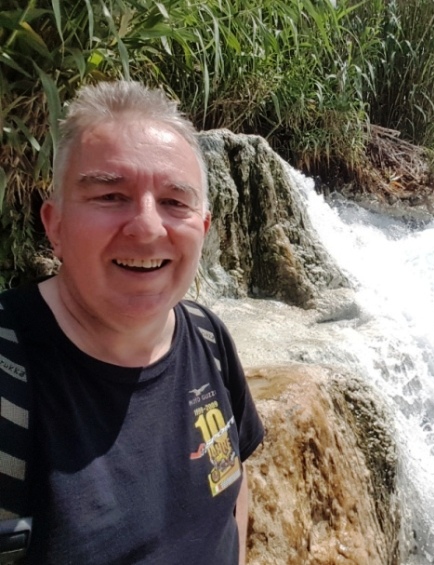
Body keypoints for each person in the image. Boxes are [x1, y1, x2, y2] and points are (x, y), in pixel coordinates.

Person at [0, 80, 264, 564]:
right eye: (110, 195)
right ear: (55, 224)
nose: (147, 227)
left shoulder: (209, 338)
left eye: (175, 202)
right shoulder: (8, 378)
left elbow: (232, 487)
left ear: (203, 229)